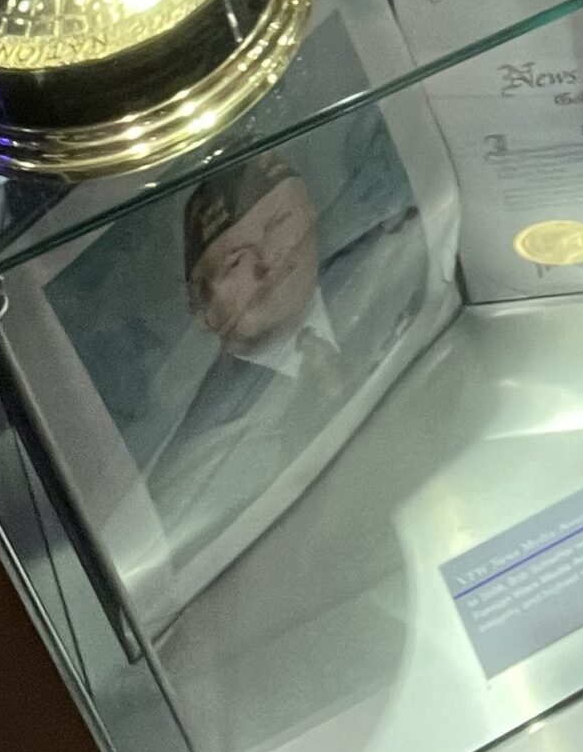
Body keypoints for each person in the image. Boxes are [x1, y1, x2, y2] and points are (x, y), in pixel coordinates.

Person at [146, 151, 429, 542]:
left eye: (279, 225)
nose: (268, 261)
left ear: (312, 214)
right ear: (200, 308)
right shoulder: (199, 464)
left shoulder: (405, 259)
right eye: (234, 261)